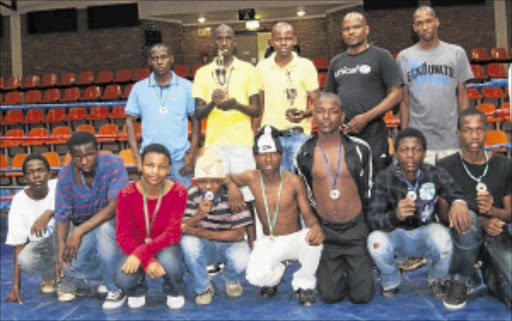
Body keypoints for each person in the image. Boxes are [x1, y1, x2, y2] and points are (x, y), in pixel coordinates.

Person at [366, 127, 471, 301]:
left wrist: (459, 203)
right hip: (395, 235)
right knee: (375, 242)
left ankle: (437, 278)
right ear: (396, 153)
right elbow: (372, 219)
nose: (410, 155)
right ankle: (391, 278)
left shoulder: (435, 173)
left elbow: (455, 192)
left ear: (423, 153)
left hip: (425, 233)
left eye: (416, 149)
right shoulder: (384, 178)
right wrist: (395, 216)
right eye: (404, 150)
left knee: (444, 238)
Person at [225, 125, 324, 307]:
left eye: (272, 153)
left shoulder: (293, 180)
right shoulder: (251, 177)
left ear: (281, 155)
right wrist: (232, 187)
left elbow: (307, 213)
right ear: (255, 158)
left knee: (314, 241)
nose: (268, 159)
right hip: (269, 240)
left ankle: (304, 285)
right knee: (254, 277)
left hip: (294, 238)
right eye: (262, 154)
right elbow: (226, 177)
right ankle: (277, 272)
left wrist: (315, 226)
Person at [295, 93, 374, 304]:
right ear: (313, 116)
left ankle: (357, 267)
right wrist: (315, 226)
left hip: (355, 229)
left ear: (342, 116)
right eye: (320, 111)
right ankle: (339, 269)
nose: (326, 117)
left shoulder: (360, 149)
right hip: (327, 232)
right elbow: (306, 196)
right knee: (330, 296)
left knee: (363, 296)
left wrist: (367, 229)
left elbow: (368, 191)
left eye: (333, 111)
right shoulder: (303, 154)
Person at [192, 23, 261, 242]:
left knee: (247, 197)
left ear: (235, 41)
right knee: (214, 195)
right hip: (215, 143)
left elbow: (256, 109)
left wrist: (234, 105)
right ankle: (215, 245)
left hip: (242, 142)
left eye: (228, 38)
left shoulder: (249, 70)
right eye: (219, 38)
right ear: (214, 42)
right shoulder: (202, 73)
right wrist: (213, 102)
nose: (224, 43)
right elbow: (198, 114)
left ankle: (252, 245)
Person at [437, 109, 511, 310]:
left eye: (479, 129)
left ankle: (491, 274)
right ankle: (459, 279)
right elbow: (442, 214)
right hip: (462, 238)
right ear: (458, 133)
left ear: (487, 131)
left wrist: (493, 211)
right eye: (468, 130)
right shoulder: (445, 165)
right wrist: (481, 219)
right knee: (465, 216)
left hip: (497, 234)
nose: (474, 136)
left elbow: (510, 213)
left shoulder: (503, 164)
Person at [54, 131, 129, 309]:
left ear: (97, 150)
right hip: (87, 228)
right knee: (68, 267)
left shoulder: (114, 164)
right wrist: (60, 253)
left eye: (89, 154)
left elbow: (112, 209)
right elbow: (62, 216)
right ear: (71, 157)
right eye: (78, 157)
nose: (85, 161)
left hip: (115, 223)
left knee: (103, 229)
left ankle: (114, 288)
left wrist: (78, 232)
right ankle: (109, 272)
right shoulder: (65, 176)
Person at [324, 12, 403, 175]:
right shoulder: (336, 62)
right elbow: (328, 98)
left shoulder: (381, 56)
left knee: (375, 184)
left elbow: (397, 94)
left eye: (356, 27)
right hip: (344, 133)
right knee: (347, 183)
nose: (351, 32)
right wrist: (335, 118)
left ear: (366, 30)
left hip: (373, 132)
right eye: (346, 29)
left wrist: (366, 117)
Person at [396, 6, 473, 165]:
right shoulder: (404, 57)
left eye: (428, 21)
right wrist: (404, 136)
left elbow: (462, 95)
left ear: (437, 22)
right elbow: (404, 100)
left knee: (451, 188)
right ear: (414, 27)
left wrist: (465, 131)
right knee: (422, 189)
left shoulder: (456, 53)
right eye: (419, 23)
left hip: (450, 137)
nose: (424, 27)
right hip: (419, 140)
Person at [114, 144, 188, 310]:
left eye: (162, 167)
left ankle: (174, 290)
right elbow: (123, 236)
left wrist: (141, 255)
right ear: (140, 165)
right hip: (135, 245)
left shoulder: (179, 192)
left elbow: (173, 232)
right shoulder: (126, 194)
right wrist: (147, 260)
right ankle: (137, 291)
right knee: (123, 278)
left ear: (169, 169)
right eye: (150, 165)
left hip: (165, 245)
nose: (155, 171)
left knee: (171, 263)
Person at [181, 149, 253, 305]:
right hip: (205, 245)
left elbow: (239, 235)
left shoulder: (233, 196)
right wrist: (199, 214)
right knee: (187, 242)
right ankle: (203, 288)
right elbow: (184, 227)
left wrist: (203, 233)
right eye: (202, 181)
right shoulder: (192, 194)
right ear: (195, 181)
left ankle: (231, 279)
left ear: (222, 181)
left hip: (228, 244)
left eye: (214, 181)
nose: (208, 186)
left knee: (243, 255)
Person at [126, 43, 199, 188]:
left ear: (171, 59)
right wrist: (136, 157)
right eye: (155, 58)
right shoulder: (139, 88)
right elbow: (130, 121)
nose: (159, 61)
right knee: (153, 206)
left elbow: (196, 121)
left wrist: (192, 154)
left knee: (183, 206)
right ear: (149, 61)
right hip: (151, 160)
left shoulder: (186, 87)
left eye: (163, 57)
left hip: (179, 160)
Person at [254, 22, 320, 172]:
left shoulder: (306, 66)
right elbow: (259, 104)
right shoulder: (261, 67)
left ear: (295, 40)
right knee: (275, 186)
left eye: (288, 38)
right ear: (271, 42)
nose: (283, 43)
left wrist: (305, 114)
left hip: (299, 136)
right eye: (278, 39)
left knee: (299, 185)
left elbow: (318, 103)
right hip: (270, 138)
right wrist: (255, 133)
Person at [5, 154, 57, 304]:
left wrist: (49, 212)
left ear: (49, 173)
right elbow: (18, 244)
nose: (36, 176)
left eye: (40, 170)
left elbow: (76, 211)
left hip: (66, 242)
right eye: (30, 172)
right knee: (25, 258)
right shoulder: (19, 201)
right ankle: (51, 275)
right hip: (44, 248)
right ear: (25, 178)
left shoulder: (59, 187)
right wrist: (15, 287)